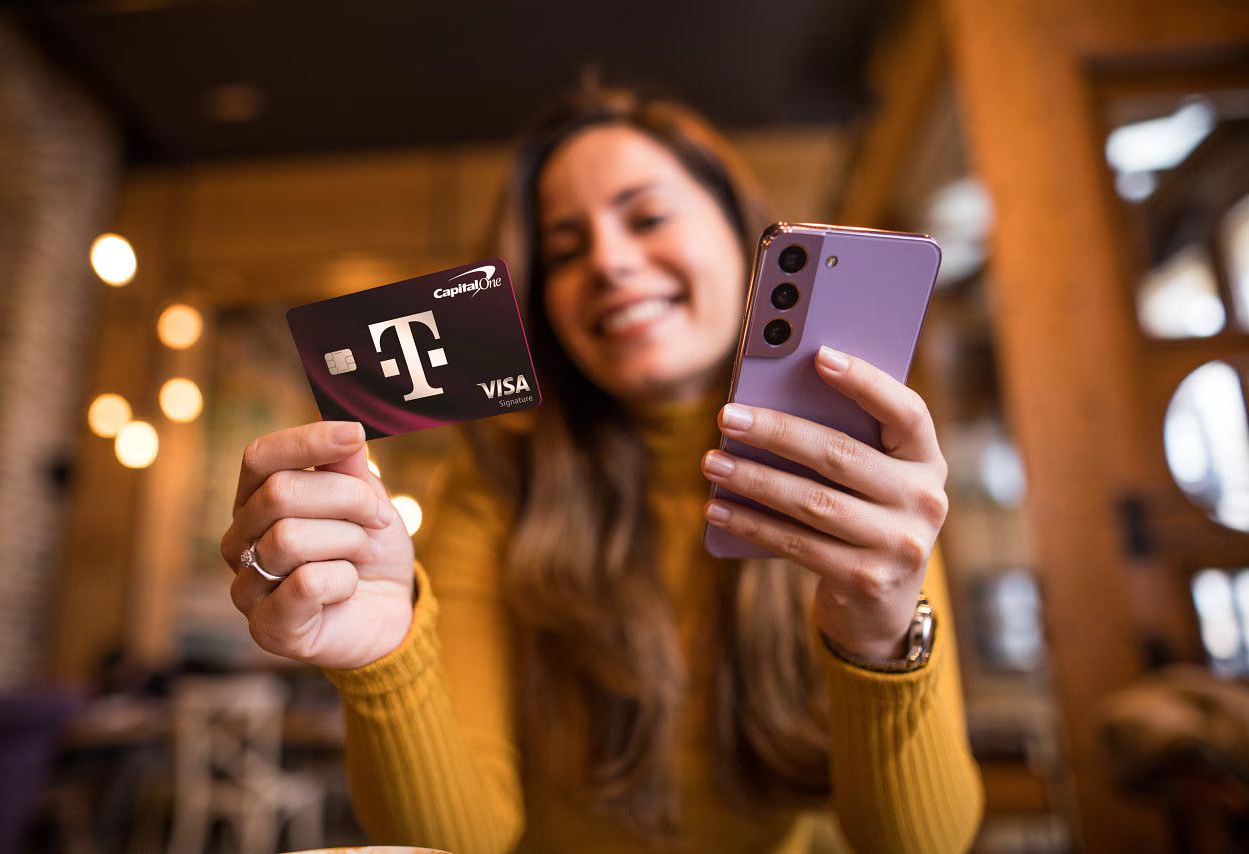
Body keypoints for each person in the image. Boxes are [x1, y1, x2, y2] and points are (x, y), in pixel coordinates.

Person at [221, 85, 984, 853]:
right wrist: (383, 655)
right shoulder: (496, 484)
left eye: (647, 217)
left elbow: (924, 846)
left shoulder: (860, 480)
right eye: (565, 249)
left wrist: (881, 633)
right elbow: (462, 840)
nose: (611, 262)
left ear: (744, 233)